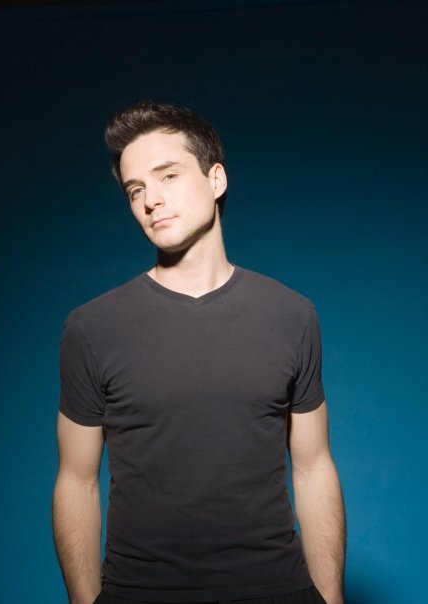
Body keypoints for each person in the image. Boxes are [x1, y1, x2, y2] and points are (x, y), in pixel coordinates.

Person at [52, 102, 346, 604]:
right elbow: (76, 481)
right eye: (135, 190)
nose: (151, 200)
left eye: (167, 175)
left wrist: (331, 597)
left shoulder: (292, 315)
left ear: (216, 180)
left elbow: (313, 466)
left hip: (275, 589)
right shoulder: (92, 328)